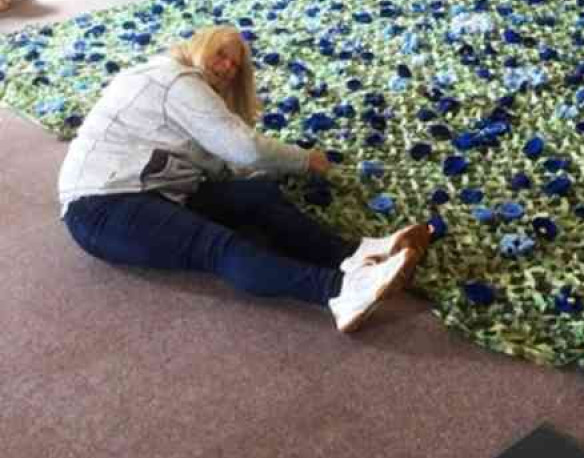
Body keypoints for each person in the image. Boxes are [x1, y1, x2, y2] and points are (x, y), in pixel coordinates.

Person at [58, 26, 432, 332]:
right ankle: (340, 291)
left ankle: (351, 255)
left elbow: (224, 167)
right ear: (198, 44)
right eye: (221, 54)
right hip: (101, 206)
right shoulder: (174, 80)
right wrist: (305, 161)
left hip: (156, 189)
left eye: (235, 65)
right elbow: (244, 150)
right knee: (217, 247)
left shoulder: (180, 89)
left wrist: (264, 175)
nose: (227, 68)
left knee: (255, 196)